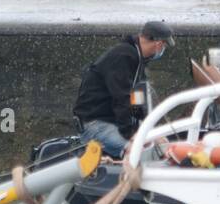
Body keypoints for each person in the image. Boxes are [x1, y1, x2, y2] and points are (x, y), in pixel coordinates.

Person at [72, 21, 175, 157]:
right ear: (158, 44)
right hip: (95, 124)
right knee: (136, 151)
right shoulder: (123, 57)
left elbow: (136, 99)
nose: (162, 50)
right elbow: (122, 98)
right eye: (164, 46)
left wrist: (147, 128)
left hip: (113, 121)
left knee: (160, 143)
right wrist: (131, 134)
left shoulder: (138, 60)